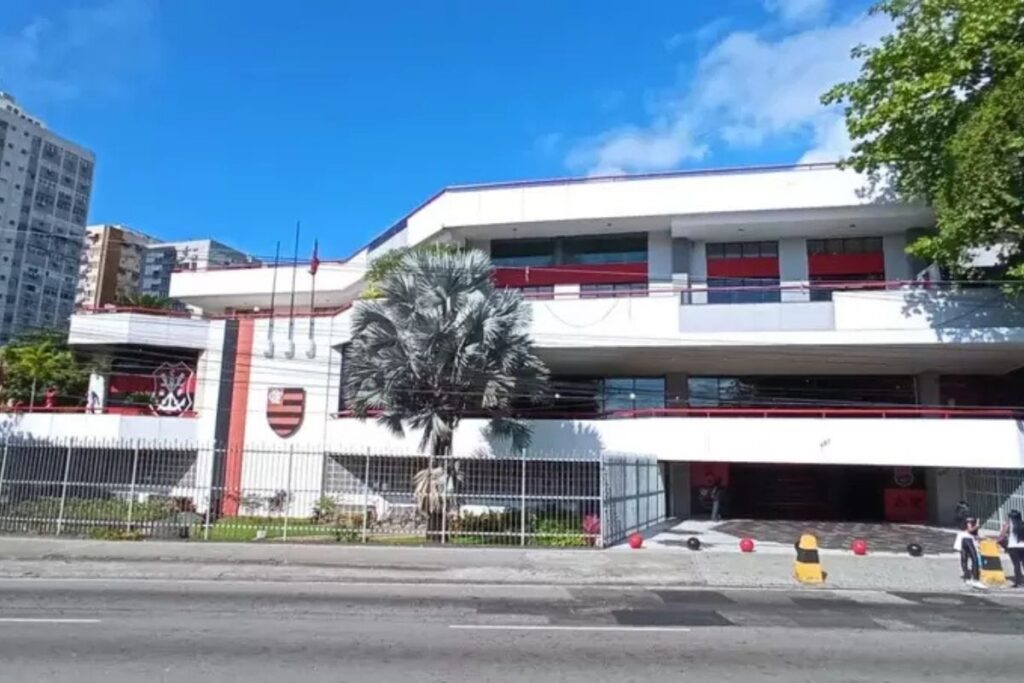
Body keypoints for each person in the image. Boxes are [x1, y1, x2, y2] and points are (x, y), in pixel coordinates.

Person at [999, 510, 1024, 588]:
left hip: (1012, 547)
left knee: (1016, 565)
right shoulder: (1022, 524)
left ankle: (1019, 582)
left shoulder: (1009, 525)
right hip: (1022, 546)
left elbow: (1002, 535)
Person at [955, 517, 983, 587]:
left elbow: (974, 534)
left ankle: (967, 577)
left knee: (964, 559)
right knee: (974, 559)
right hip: (967, 540)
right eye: (968, 523)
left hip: (964, 540)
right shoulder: (969, 525)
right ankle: (975, 579)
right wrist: (977, 525)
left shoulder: (966, 526)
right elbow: (970, 530)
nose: (969, 524)